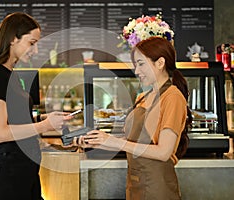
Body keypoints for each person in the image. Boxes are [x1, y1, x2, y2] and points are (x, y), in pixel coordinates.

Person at [79, 36, 192, 200]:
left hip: (157, 189)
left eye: (141, 64)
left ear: (160, 63)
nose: (137, 71)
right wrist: (98, 141)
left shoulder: (172, 97)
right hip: (135, 186)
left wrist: (116, 142)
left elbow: (163, 152)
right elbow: (134, 141)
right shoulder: (145, 97)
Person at [0, 12, 72, 200]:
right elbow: (0, 133)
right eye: (32, 43)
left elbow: (15, 118)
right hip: (10, 177)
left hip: (25, 172)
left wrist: (43, 119)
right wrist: (44, 126)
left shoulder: (10, 74)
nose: (35, 50)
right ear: (13, 39)